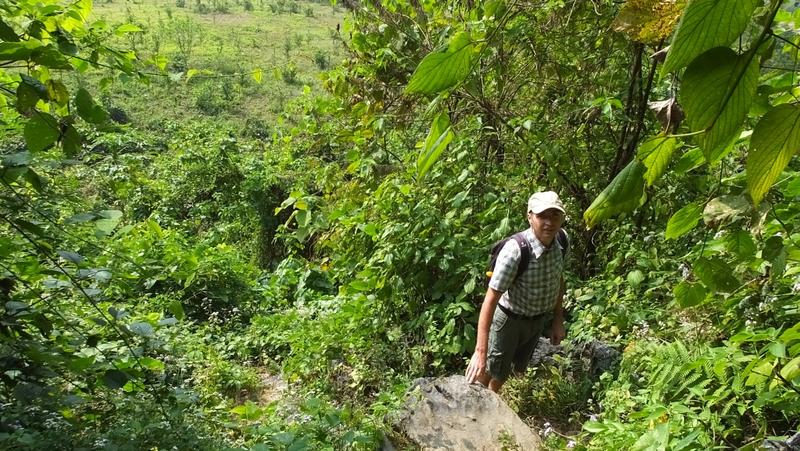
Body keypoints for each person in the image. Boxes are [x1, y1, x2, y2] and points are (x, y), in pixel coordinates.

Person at [465, 191, 568, 393]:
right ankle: (474, 407)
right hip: (509, 320)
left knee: (503, 373)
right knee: (489, 370)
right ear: (530, 216)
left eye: (555, 215)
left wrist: (558, 319)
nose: (549, 222)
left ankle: (493, 403)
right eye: (542, 216)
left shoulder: (562, 242)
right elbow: (490, 299)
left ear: (562, 218)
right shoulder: (515, 251)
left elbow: (558, 280)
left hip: (536, 320)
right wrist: (480, 351)